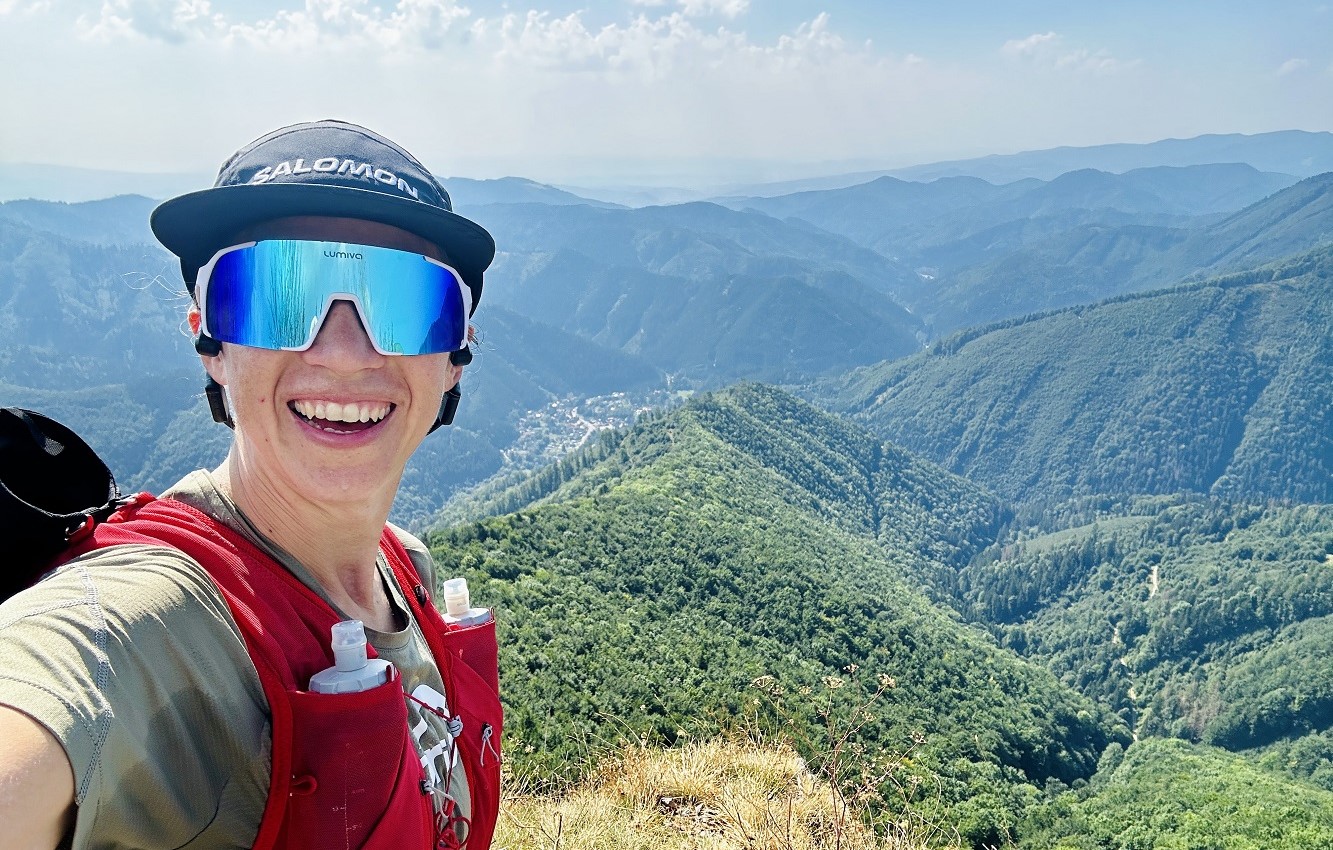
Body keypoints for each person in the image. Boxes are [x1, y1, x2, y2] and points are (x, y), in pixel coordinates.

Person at [0, 120, 501, 850]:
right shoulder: (135, 627)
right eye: (277, 293)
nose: (342, 352)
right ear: (210, 339)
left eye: (402, 300)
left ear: (455, 355)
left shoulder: (404, 567)